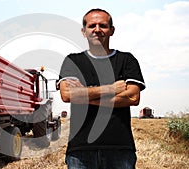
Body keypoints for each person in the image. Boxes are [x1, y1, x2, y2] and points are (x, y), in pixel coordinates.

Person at [58, 8, 145, 169]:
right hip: (80, 150)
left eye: (103, 25)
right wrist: (112, 88)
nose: (97, 30)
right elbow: (67, 94)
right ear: (84, 31)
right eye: (92, 26)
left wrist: (85, 97)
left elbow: (133, 97)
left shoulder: (126, 60)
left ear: (112, 30)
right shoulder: (73, 61)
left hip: (120, 149)